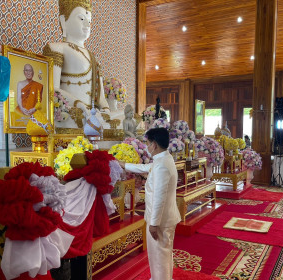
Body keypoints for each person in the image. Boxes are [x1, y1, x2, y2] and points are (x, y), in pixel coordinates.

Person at [119, 128, 181, 280]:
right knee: (163, 255)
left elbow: (159, 196)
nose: (147, 147)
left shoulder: (161, 165)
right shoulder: (165, 159)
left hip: (160, 221)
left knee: (159, 257)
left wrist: (154, 223)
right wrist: (123, 164)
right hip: (166, 217)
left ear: (154, 144)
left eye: (147, 143)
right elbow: (146, 168)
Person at [43, 0, 110, 129]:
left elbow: (100, 97)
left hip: (93, 113)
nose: (87, 24)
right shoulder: (56, 48)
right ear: (63, 21)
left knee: (129, 118)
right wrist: (79, 105)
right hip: (73, 111)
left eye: (89, 20)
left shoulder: (93, 57)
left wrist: (106, 110)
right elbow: (53, 89)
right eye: (81, 18)